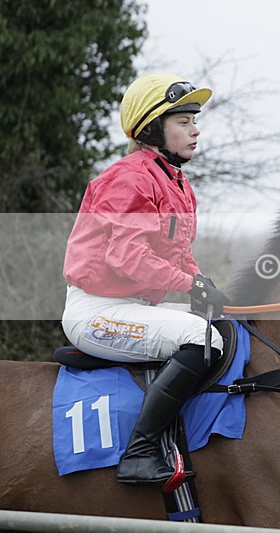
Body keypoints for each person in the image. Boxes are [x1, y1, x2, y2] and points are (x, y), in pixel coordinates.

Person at [61, 74, 230, 487]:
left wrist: (202, 283)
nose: (196, 129)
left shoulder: (175, 182)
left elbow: (177, 253)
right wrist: (187, 285)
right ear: (153, 128)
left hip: (134, 306)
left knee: (223, 327)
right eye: (184, 121)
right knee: (203, 339)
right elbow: (126, 255)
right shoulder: (130, 177)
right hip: (96, 310)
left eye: (195, 120)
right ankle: (139, 451)